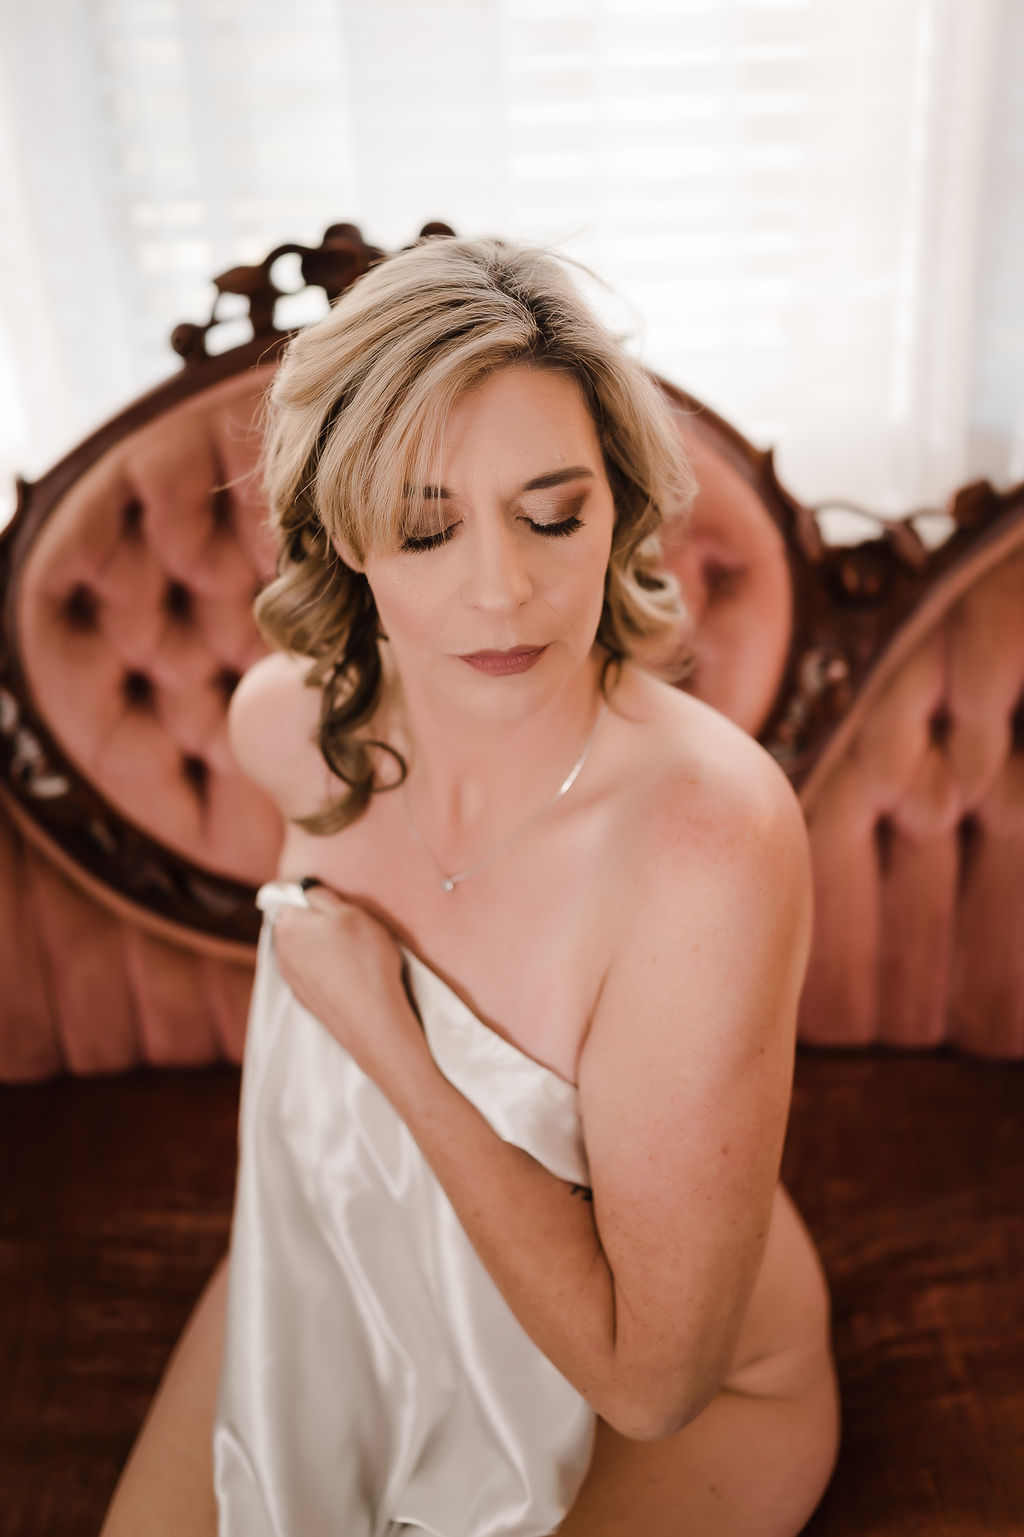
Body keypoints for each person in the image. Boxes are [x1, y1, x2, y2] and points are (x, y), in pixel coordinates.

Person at [100, 235, 840, 1536]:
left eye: (554, 513)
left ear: (618, 503)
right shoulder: (288, 728)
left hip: (678, 1392)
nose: (502, 589)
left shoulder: (706, 839)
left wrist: (392, 1038)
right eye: (427, 526)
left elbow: (652, 1379)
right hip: (343, 1282)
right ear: (342, 531)